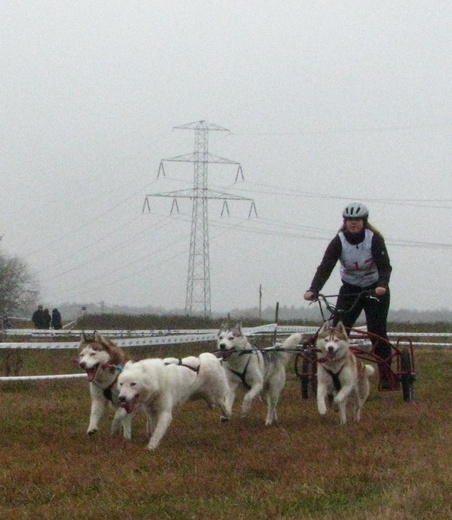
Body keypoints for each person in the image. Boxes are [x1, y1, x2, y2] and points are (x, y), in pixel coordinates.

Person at [303, 202, 393, 387]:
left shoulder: (374, 239)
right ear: (345, 221)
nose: (353, 223)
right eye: (349, 220)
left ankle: (386, 377)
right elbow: (326, 266)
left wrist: (382, 285)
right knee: (337, 329)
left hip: (374, 287)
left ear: (364, 221)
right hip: (350, 288)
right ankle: (333, 375)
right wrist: (314, 289)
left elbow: (385, 267)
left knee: (376, 331)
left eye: (357, 220)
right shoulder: (339, 240)